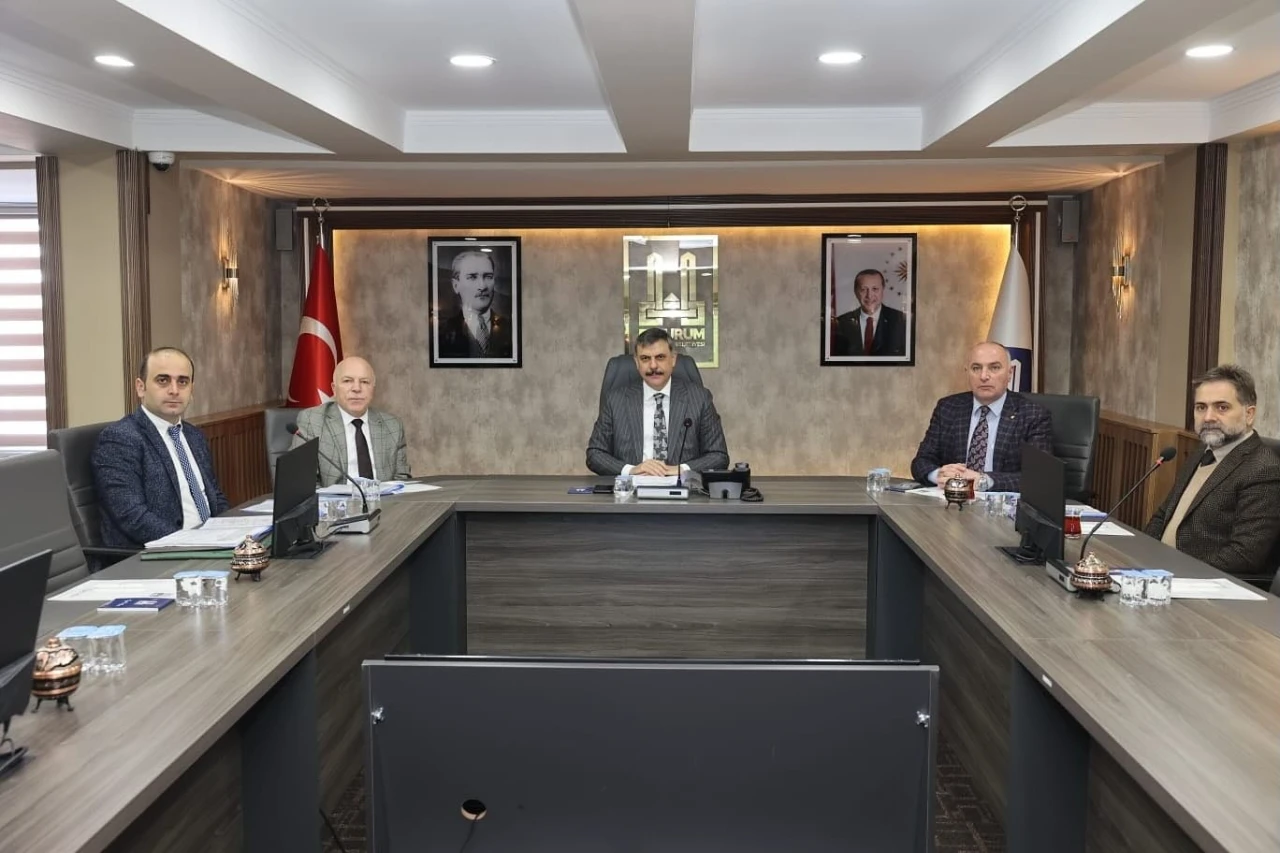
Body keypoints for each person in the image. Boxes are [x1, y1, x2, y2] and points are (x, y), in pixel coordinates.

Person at [1145, 365, 1280, 583]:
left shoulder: (1263, 469)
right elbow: (1163, 516)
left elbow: (1243, 555)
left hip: (1201, 585)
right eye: (1201, 407)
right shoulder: (1204, 450)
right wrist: (1141, 556)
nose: (1208, 417)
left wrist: (1175, 573)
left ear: (1249, 414)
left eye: (1222, 407)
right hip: (1159, 575)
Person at [92, 347, 229, 548]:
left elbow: (214, 496)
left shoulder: (194, 435)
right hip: (158, 553)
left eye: (182, 382)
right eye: (163, 380)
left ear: (192, 389)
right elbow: (133, 517)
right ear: (141, 387)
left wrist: (231, 532)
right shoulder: (120, 438)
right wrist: (191, 543)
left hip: (210, 543)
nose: (174, 390)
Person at [910, 341, 1053, 492]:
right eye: (976, 368)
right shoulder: (948, 408)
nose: (984, 376)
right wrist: (939, 475)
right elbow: (921, 462)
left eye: (994, 367)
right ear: (967, 372)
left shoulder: (1033, 414)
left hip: (1000, 503)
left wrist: (983, 481)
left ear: (1010, 372)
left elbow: (1039, 476)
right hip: (953, 499)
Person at [587, 328, 729, 476]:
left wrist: (680, 470)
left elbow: (718, 456)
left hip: (682, 486)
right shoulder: (615, 400)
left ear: (673, 359)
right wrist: (632, 470)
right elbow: (595, 454)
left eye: (660, 357)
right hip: (632, 487)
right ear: (636, 362)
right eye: (645, 358)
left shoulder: (699, 399)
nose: (653, 366)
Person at [291, 356, 411, 487]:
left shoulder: (392, 425)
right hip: (334, 500)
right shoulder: (312, 421)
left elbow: (402, 480)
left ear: (373, 389)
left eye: (364, 382)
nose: (357, 388)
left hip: (383, 499)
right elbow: (304, 482)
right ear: (334, 388)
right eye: (347, 381)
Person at [437, 250, 513, 358]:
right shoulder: (444, 331)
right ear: (456, 286)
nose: (482, 286)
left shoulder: (511, 328)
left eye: (488, 276)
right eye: (472, 277)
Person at [833, 269, 908, 357]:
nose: (869, 295)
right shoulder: (840, 323)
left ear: (883, 290)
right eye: (863, 289)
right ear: (856, 292)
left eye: (875, 289)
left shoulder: (901, 321)